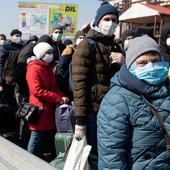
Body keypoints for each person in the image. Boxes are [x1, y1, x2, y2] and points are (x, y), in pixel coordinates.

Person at [97, 35, 170, 169]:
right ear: (130, 66)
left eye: (155, 61)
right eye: (142, 63)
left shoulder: (167, 89)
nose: (151, 67)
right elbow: (111, 154)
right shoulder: (117, 100)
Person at [72, 2, 124, 156]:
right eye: (107, 19)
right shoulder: (86, 45)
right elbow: (79, 85)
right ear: (98, 21)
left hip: (114, 110)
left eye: (114, 20)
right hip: (93, 111)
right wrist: (80, 121)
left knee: (109, 153)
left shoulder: (115, 46)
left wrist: (124, 63)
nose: (111, 23)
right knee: (93, 154)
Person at [26, 42, 69, 158]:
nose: (51, 55)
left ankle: (39, 158)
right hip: (39, 108)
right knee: (36, 137)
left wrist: (63, 97)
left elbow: (54, 87)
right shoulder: (34, 68)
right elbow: (36, 90)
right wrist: (58, 98)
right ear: (41, 54)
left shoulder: (47, 67)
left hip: (49, 108)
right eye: (47, 53)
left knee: (43, 137)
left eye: (51, 52)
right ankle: (28, 160)